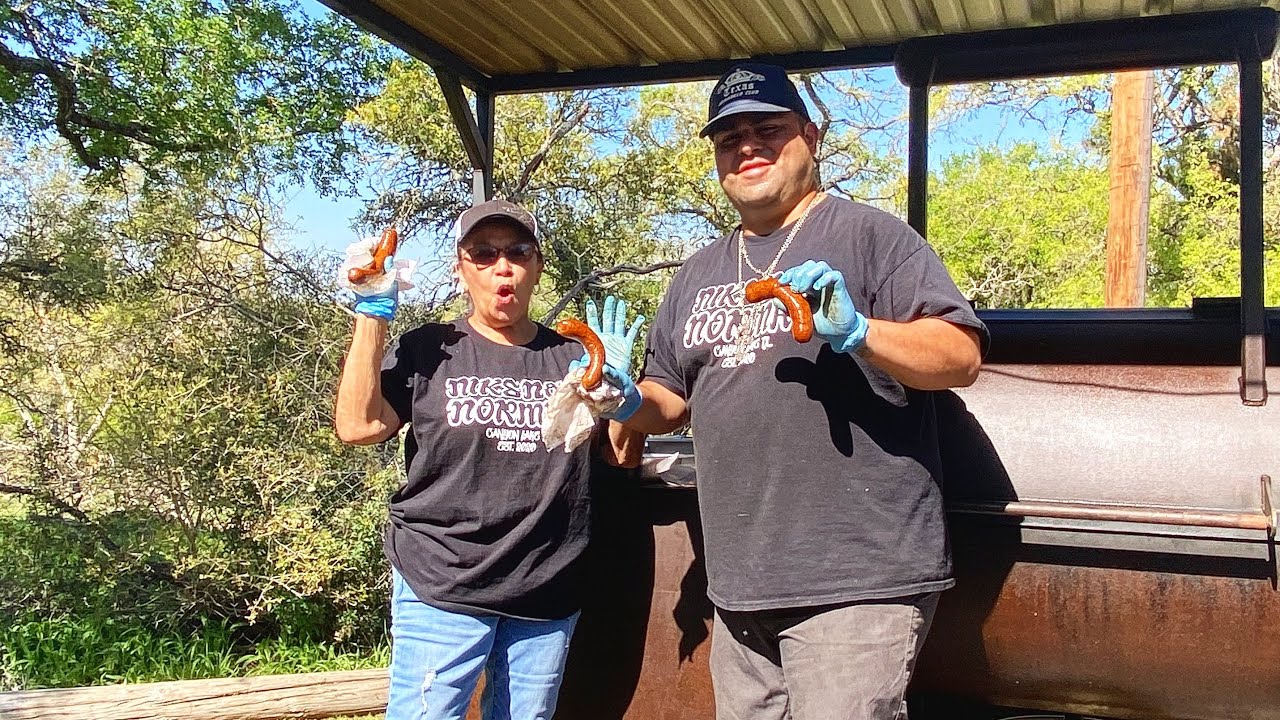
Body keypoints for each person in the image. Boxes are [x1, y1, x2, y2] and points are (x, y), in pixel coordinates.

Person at [598, 64, 989, 720]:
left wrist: (862, 333)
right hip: (738, 588)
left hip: (855, 584)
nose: (747, 147)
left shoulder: (872, 237)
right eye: (729, 138)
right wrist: (626, 402)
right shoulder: (697, 273)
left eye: (767, 130)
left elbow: (960, 355)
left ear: (810, 137)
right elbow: (672, 398)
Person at [333, 199, 635, 720]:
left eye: (518, 252)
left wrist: (622, 397)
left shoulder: (574, 359)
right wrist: (371, 316)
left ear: (537, 266)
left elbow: (622, 454)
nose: (503, 267)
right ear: (461, 269)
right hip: (441, 582)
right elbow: (358, 427)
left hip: (546, 589)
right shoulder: (430, 348)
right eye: (484, 254)